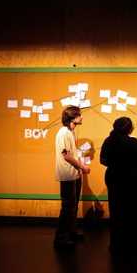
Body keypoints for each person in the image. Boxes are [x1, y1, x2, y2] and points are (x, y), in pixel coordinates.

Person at [100, 117, 137, 254]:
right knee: (136, 209)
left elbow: (103, 160)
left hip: (114, 178)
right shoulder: (134, 143)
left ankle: (117, 242)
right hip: (133, 179)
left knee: (116, 209)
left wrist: (116, 165)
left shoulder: (108, 141)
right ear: (129, 129)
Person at [54, 106, 90, 249]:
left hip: (74, 174)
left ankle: (71, 232)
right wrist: (82, 167)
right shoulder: (63, 133)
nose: (82, 117)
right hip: (67, 174)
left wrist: (80, 168)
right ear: (72, 117)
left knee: (73, 206)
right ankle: (61, 237)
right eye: (79, 115)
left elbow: (72, 154)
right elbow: (66, 156)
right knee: (67, 207)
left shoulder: (70, 132)